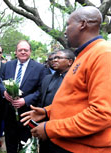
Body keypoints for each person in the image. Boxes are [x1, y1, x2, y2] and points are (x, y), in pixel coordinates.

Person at [21, 6, 111, 153]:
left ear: (83, 24)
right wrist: (47, 112)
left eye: (68, 24)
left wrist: (50, 128)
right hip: (63, 144)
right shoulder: (83, 55)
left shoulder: (103, 54)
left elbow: (102, 114)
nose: (65, 31)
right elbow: (76, 99)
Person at [0, 40, 48, 153]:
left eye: (26, 50)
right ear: (16, 52)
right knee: (10, 145)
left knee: (25, 145)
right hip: (9, 114)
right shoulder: (7, 65)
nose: (23, 52)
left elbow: (41, 90)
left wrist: (25, 100)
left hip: (27, 115)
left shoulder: (40, 68)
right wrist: (4, 93)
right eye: (20, 50)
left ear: (30, 51)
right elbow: (0, 82)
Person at [38, 49, 75, 153]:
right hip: (44, 128)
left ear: (70, 62)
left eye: (58, 58)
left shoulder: (75, 79)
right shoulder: (47, 78)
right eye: (53, 58)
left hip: (63, 130)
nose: (54, 60)